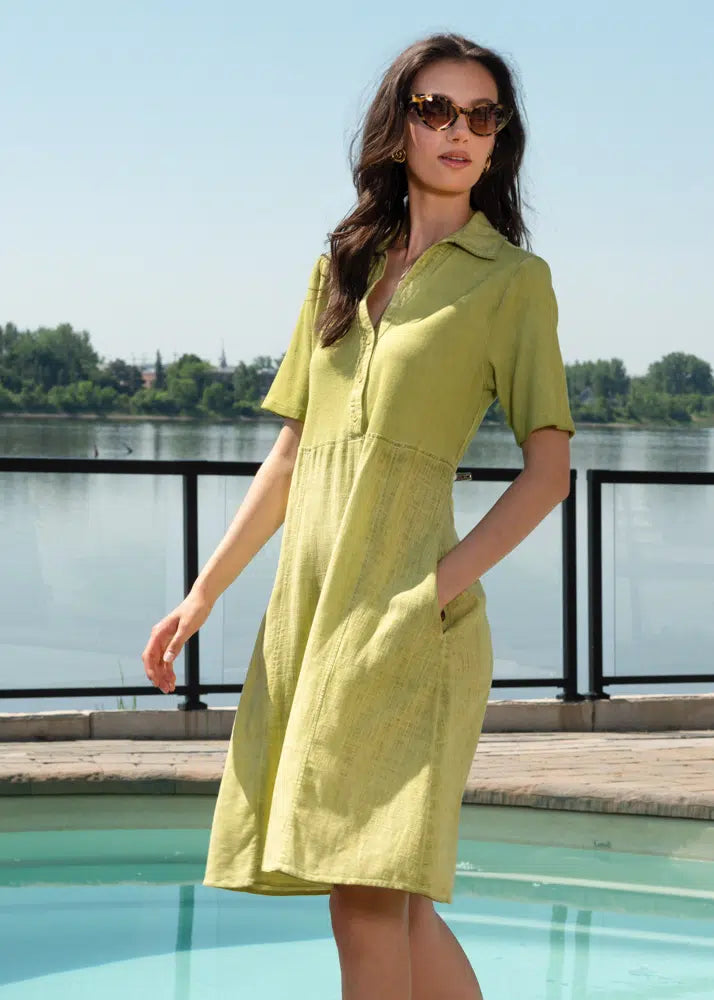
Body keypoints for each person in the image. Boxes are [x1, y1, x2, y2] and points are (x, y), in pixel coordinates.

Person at [142, 30, 575, 1000]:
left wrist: (433, 590)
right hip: (314, 611)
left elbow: (550, 472)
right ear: (399, 127)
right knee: (395, 900)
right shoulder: (340, 264)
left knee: (367, 897)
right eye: (436, 110)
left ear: (500, 139)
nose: (459, 131)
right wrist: (203, 593)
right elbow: (294, 453)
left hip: (411, 616)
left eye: (482, 115)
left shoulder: (512, 283)